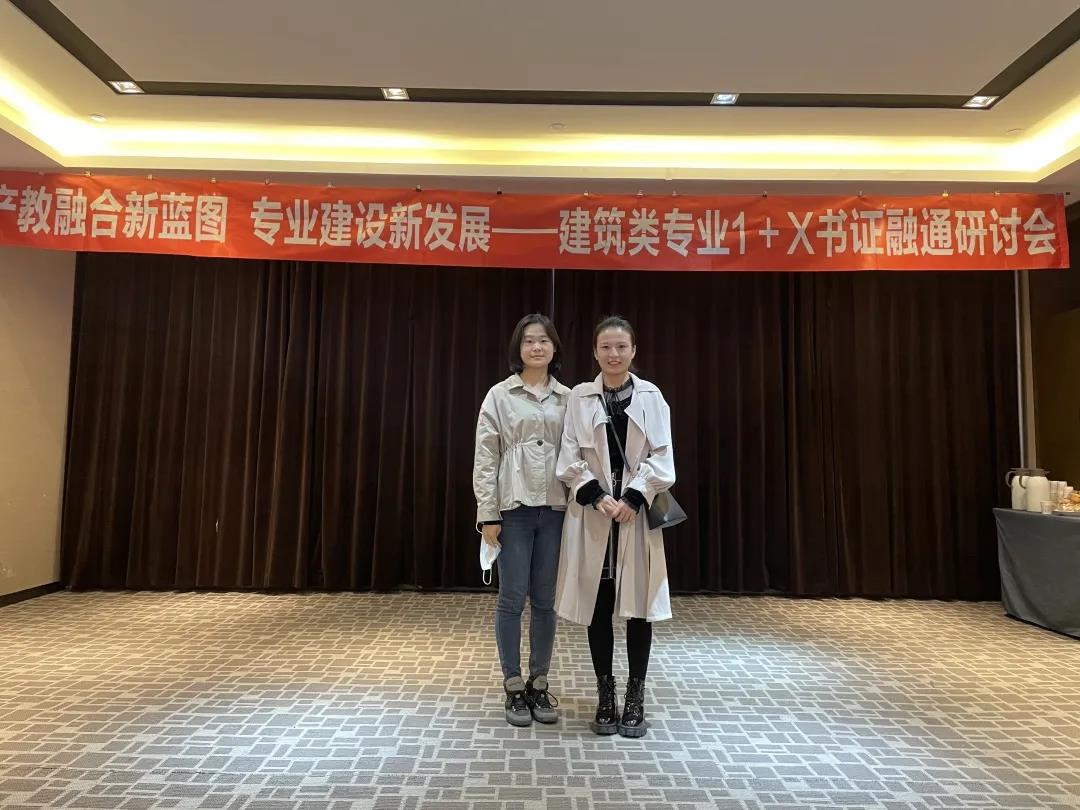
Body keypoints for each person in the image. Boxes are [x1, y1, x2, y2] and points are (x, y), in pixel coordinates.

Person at [555, 315, 676, 738]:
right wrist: (596, 495)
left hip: (635, 517)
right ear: (594, 352)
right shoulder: (580, 397)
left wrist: (635, 496)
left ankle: (635, 697)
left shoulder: (651, 397)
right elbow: (569, 455)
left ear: (633, 351)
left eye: (621, 347)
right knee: (599, 606)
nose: (613, 354)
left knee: (638, 607)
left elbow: (663, 457)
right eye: (605, 347)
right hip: (595, 517)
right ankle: (604, 695)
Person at [473, 314, 571, 727]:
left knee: (546, 601)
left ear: (554, 347)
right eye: (529, 340)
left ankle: (539, 682)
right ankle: (513, 685)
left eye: (544, 340)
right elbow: (485, 458)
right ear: (518, 347)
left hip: (556, 510)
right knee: (512, 598)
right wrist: (488, 514)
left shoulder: (569, 398)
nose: (536, 347)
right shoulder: (499, 395)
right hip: (513, 509)